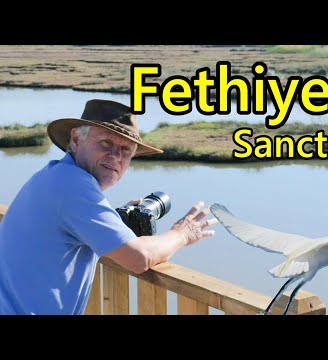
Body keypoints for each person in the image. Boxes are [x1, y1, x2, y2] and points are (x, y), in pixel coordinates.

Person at [0, 99, 218, 315]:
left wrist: (113, 221)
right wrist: (182, 234)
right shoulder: (72, 184)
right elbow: (138, 258)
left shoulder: (54, 175)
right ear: (75, 139)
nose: (115, 156)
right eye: (105, 143)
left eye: (125, 149)